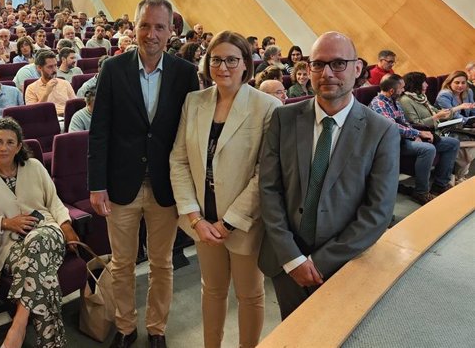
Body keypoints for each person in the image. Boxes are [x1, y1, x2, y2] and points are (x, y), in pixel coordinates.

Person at [258, 31, 400, 320]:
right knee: (294, 332)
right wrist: (293, 258)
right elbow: (269, 190)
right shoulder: (284, 118)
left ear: (357, 69)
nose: (327, 73)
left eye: (338, 64)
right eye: (318, 64)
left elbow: (378, 211)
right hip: (285, 261)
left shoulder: (381, 131)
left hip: (344, 263)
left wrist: (320, 262)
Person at [88, 0, 199, 348]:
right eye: (145, 25)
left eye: (159, 27)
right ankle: (124, 327)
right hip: (121, 184)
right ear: (134, 27)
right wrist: (97, 184)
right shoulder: (113, 68)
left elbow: (190, 133)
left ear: (171, 31)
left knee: (162, 263)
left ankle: (156, 329)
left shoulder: (184, 73)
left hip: (165, 184)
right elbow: (100, 131)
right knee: (121, 264)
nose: (151, 34)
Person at [170, 31, 280, 348]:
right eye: (216, 59)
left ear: (246, 64)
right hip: (203, 221)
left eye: (232, 59)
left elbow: (265, 174)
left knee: (249, 294)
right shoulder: (194, 102)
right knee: (213, 290)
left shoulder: (267, 107)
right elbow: (178, 160)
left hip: (243, 221)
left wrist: (228, 221)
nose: (223, 67)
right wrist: (194, 218)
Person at [0, 118, 79, 348]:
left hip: (48, 232)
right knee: (42, 276)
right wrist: (6, 223)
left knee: (39, 241)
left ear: (19, 147)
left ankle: (18, 323)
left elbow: (54, 201)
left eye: (10, 142)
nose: (3, 147)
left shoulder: (35, 166)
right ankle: (52, 344)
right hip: (10, 247)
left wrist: (66, 226)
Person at [370, 74, 459, 204]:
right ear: (391, 91)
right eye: (401, 88)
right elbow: (392, 127)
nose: (404, 91)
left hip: (406, 137)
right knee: (428, 149)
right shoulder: (378, 104)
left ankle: (440, 184)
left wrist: (416, 134)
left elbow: (404, 123)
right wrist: (416, 133)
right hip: (392, 143)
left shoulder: (394, 100)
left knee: (452, 143)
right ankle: (421, 192)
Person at [400, 71, 475, 183]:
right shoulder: (405, 100)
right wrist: (437, 117)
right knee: (466, 142)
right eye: (424, 82)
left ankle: (448, 179)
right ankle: (455, 176)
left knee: (467, 141)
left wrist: (446, 113)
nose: (427, 85)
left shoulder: (421, 96)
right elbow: (416, 123)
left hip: (440, 127)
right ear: (416, 84)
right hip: (428, 133)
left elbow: (438, 112)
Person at [25, 50, 75, 116]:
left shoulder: (65, 83)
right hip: (46, 119)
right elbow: (33, 113)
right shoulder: (31, 88)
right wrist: (46, 93)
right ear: (39, 68)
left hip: (66, 117)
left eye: (55, 65)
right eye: (50, 67)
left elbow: (75, 105)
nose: (54, 70)